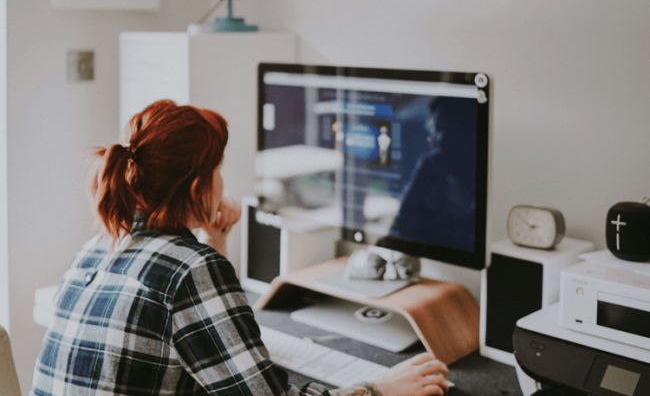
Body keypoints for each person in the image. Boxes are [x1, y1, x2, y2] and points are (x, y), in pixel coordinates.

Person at [30, 100, 449, 396]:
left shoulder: (98, 245)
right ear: (199, 187)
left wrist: (215, 241)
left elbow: (201, 337)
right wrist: (383, 389)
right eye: (219, 170)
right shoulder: (190, 270)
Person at [388, 97, 477, 252]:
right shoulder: (430, 168)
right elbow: (399, 229)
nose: (441, 138)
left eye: (453, 129)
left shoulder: (486, 182)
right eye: (437, 128)